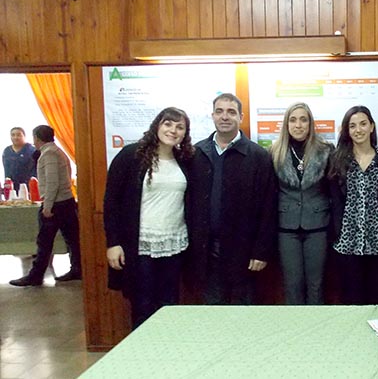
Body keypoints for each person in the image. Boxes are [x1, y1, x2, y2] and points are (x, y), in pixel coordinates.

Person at [103, 107, 194, 328]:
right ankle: (142, 357)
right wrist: (113, 243)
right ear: (157, 125)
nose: (173, 130)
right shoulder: (131, 155)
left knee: (169, 305)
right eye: (168, 124)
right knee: (142, 304)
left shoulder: (185, 160)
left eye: (179, 127)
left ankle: (165, 353)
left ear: (185, 133)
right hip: (141, 246)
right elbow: (111, 201)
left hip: (174, 244)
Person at [186, 93, 277, 305]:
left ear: (241, 117)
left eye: (231, 112)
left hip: (243, 253)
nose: (224, 116)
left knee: (244, 313)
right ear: (212, 116)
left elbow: (268, 208)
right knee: (214, 311)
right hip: (207, 252)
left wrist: (261, 251)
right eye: (219, 111)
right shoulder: (197, 153)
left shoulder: (258, 156)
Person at [328, 105, 378, 305]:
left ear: (372, 127)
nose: (358, 130)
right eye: (352, 126)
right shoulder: (337, 159)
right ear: (347, 131)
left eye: (363, 124)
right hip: (346, 243)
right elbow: (332, 200)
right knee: (351, 301)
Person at [271, 102, 333, 305]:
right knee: (292, 283)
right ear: (287, 124)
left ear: (310, 123)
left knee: (317, 283)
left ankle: (317, 330)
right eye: (293, 119)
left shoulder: (325, 150)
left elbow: (333, 189)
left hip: (318, 225)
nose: (298, 125)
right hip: (286, 226)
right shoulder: (275, 151)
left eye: (303, 119)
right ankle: (296, 329)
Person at [10, 125, 81, 286]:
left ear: (37, 138)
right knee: (72, 239)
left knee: (44, 242)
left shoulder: (49, 154)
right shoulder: (57, 151)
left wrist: (47, 206)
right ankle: (77, 268)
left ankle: (36, 275)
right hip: (66, 201)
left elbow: (52, 182)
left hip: (56, 204)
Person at [3, 127, 37, 191]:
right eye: (13, 135)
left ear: (24, 136)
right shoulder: (7, 151)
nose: (16, 137)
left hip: (30, 185)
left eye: (19, 135)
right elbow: (6, 170)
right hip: (13, 186)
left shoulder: (32, 150)